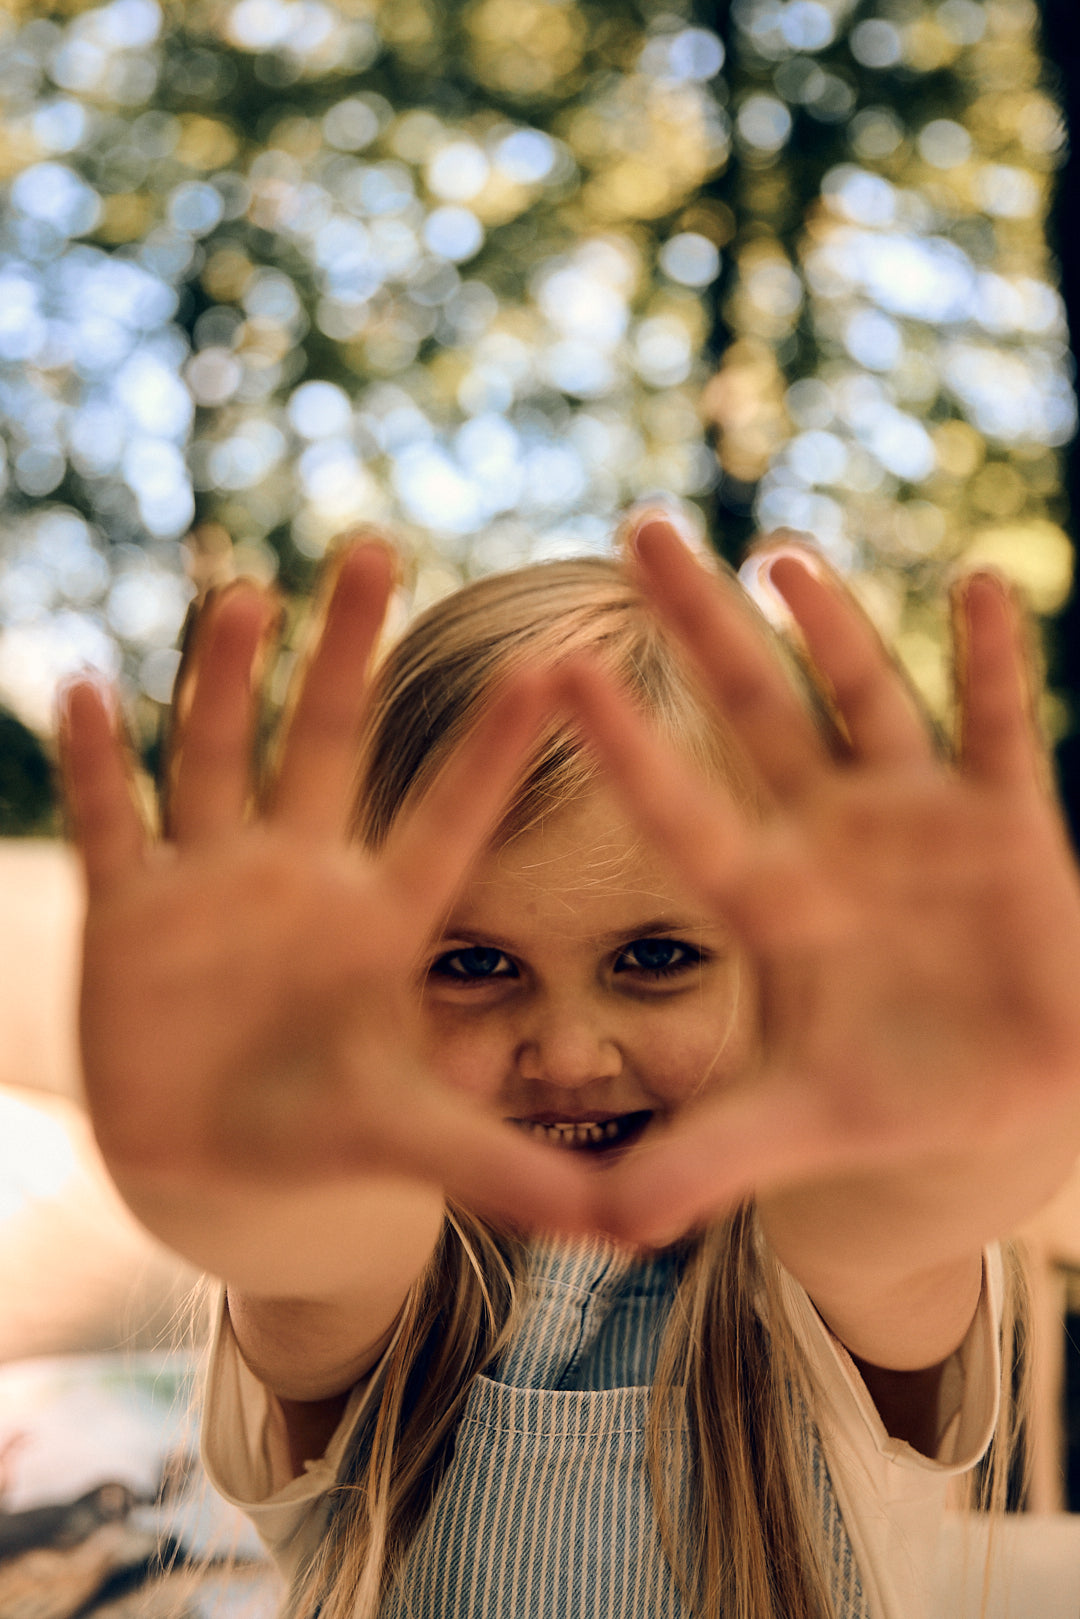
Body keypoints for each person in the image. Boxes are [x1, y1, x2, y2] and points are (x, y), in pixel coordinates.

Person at [57, 512, 1080, 1619]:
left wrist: (959, 1126)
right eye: (473, 961)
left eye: (655, 956)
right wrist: (248, 1168)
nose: (570, 1051)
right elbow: (318, 1236)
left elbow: (894, 1215)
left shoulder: (826, 1261)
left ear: (791, 971)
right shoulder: (377, 1277)